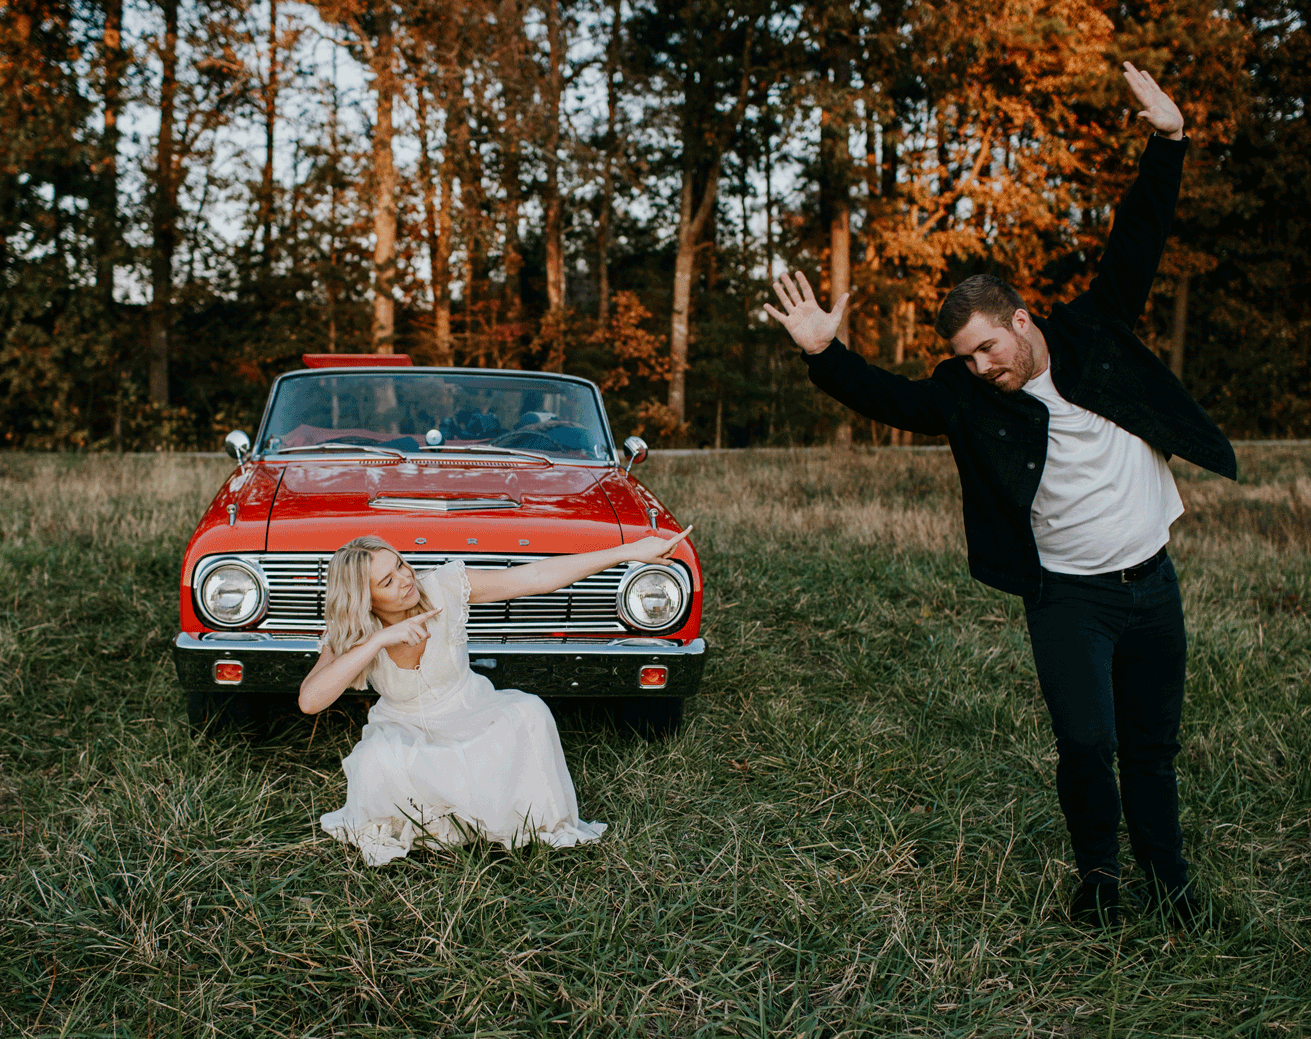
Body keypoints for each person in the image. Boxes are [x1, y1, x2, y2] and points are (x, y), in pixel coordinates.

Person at [764, 63, 1235, 928]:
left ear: (1021, 319)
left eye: (989, 347)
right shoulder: (968, 394)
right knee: (1088, 743)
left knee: (1153, 748)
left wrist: (1168, 140)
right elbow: (894, 400)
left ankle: (1171, 881)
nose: (984, 368)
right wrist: (825, 354)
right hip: (1068, 598)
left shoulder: (1091, 335)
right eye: (969, 357)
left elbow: (1140, 236)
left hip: (1152, 584)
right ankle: (1099, 879)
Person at [303, 528, 692, 866]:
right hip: (404, 727)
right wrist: (380, 640)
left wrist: (629, 551)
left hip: (472, 710)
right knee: (376, 760)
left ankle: (479, 812)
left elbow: (537, 577)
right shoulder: (356, 631)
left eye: (401, 565)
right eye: (387, 582)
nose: (405, 579)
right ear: (365, 601)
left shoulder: (442, 586)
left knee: (529, 713)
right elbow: (310, 700)